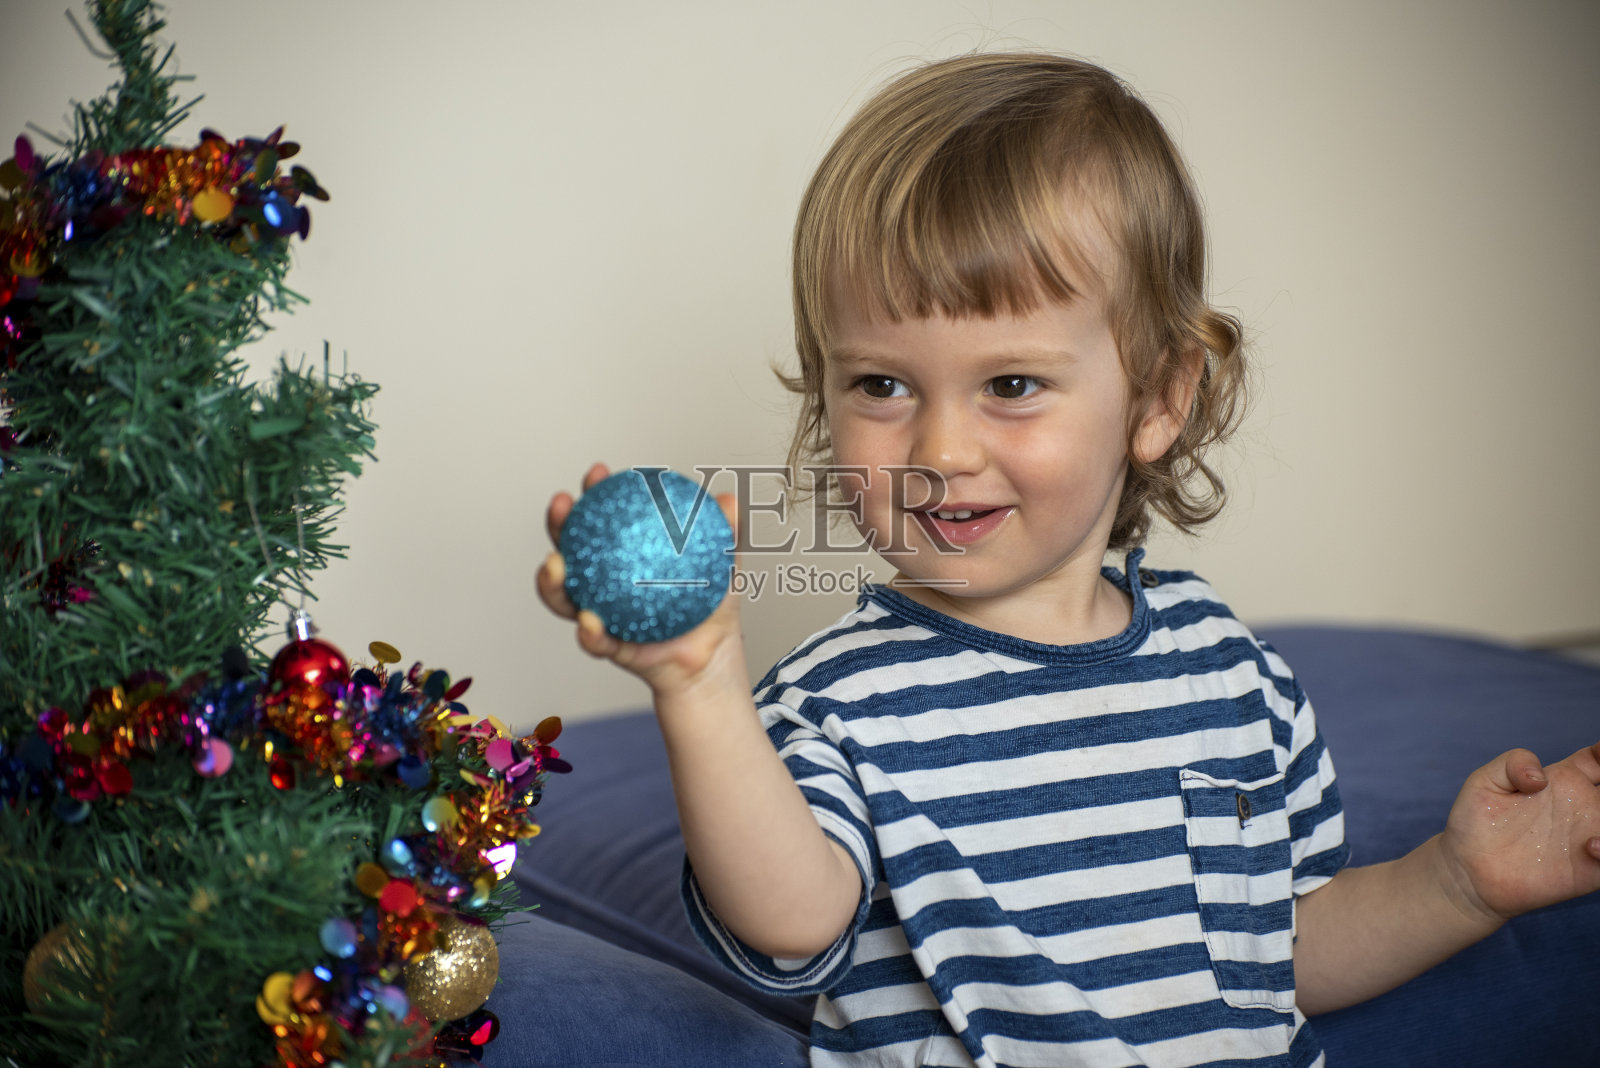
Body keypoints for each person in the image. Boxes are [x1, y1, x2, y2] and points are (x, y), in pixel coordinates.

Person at [537, 51, 1600, 1068]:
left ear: (1158, 400)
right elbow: (790, 924)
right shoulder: (836, 697)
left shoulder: (1224, 666)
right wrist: (702, 688)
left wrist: (1459, 884)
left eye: (1010, 385)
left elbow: (1277, 955)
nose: (940, 451)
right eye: (880, 385)